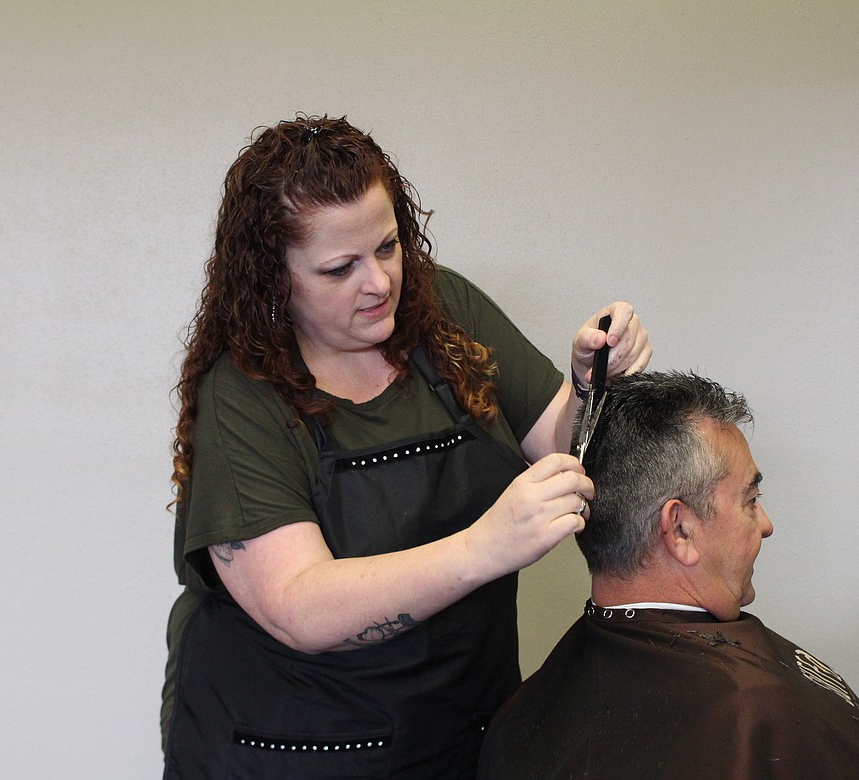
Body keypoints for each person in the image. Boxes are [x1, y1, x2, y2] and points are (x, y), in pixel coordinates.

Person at [161, 114, 652, 779]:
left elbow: (567, 446)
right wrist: (485, 547)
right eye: (340, 268)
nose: (380, 282)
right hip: (288, 748)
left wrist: (594, 385)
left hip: (455, 728)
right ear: (274, 278)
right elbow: (299, 606)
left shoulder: (441, 310)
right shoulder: (242, 397)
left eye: (389, 247)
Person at [478, 371, 859, 780]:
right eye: (750, 500)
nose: (766, 523)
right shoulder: (753, 708)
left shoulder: (522, 710)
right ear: (680, 530)